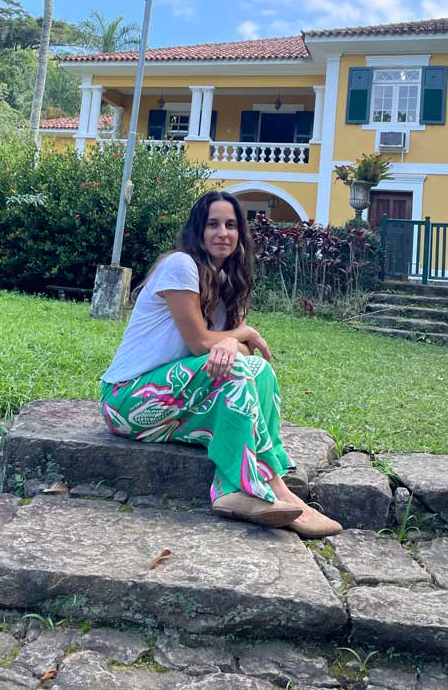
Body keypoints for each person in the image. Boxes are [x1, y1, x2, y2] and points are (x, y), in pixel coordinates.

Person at [99, 190, 342, 538]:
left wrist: (232, 340)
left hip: (176, 402)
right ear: (198, 231)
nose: (222, 233)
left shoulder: (228, 281)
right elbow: (200, 342)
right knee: (238, 370)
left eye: (230, 225)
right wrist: (240, 333)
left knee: (261, 371)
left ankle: (252, 488)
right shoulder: (180, 266)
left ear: (240, 234)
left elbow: (241, 356)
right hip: (128, 399)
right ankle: (258, 489)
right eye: (212, 224)